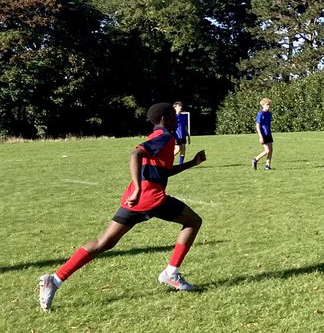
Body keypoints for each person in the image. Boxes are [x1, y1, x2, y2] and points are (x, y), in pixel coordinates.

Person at [37, 103, 206, 312]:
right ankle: (171, 273)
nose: (176, 120)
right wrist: (137, 188)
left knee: (104, 242)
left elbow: (163, 172)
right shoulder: (165, 138)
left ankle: (54, 279)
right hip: (151, 198)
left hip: (135, 200)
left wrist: (192, 162)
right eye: (173, 116)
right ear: (164, 117)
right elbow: (134, 155)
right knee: (193, 221)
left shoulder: (156, 138)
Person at [253, 98, 273, 170]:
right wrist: (260, 136)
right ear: (263, 105)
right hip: (263, 134)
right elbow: (257, 125)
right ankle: (255, 159)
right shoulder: (260, 114)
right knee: (267, 150)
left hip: (268, 133)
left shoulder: (269, 114)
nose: (269, 106)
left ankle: (267, 165)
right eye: (267, 105)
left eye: (269, 105)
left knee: (271, 150)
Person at [172, 101, 190, 165]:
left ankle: (181, 164)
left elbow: (185, 127)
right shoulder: (173, 117)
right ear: (175, 108)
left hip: (183, 136)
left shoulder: (183, 116)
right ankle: (167, 159)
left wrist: (188, 136)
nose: (181, 107)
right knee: (177, 149)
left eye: (181, 106)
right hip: (176, 136)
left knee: (183, 149)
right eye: (179, 106)